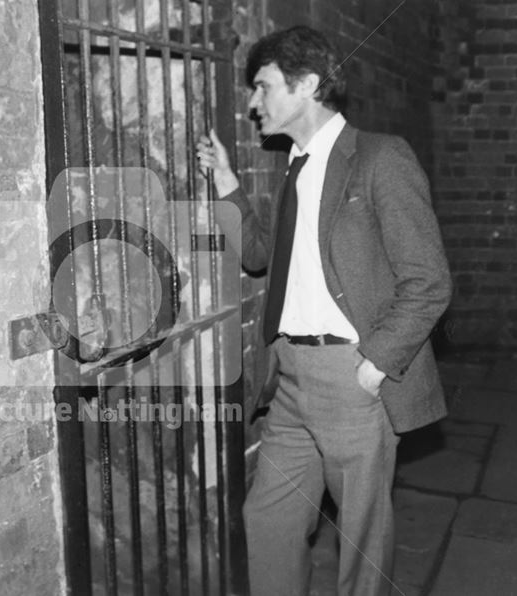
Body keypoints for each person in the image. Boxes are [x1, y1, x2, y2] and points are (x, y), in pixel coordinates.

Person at [197, 26, 451, 596]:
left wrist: (374, 365)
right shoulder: (297, 164)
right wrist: (228, 184)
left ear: (307, 84)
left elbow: (429, 281)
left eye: (262, 87)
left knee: (360, 542)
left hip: (351, 377)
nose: (253, 103)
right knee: (269, 517)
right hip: (290, 378)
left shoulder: (381, 158)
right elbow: (263, 257)